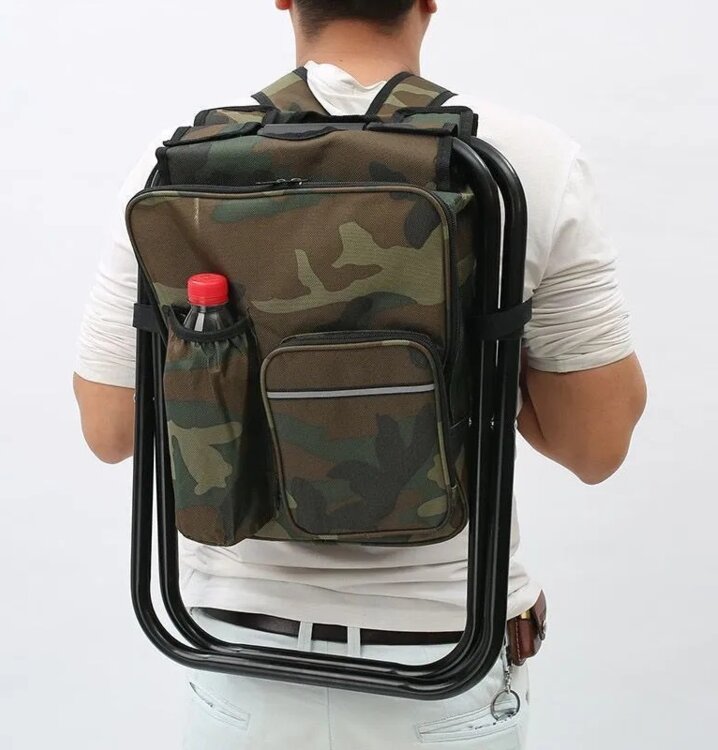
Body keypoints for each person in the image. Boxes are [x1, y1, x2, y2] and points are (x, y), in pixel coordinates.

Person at [72, 1, 647, 747]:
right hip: (442, 675)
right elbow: (595, 446)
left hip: (241, 668)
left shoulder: (181, 168)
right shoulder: (528, 160)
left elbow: (109, 429)